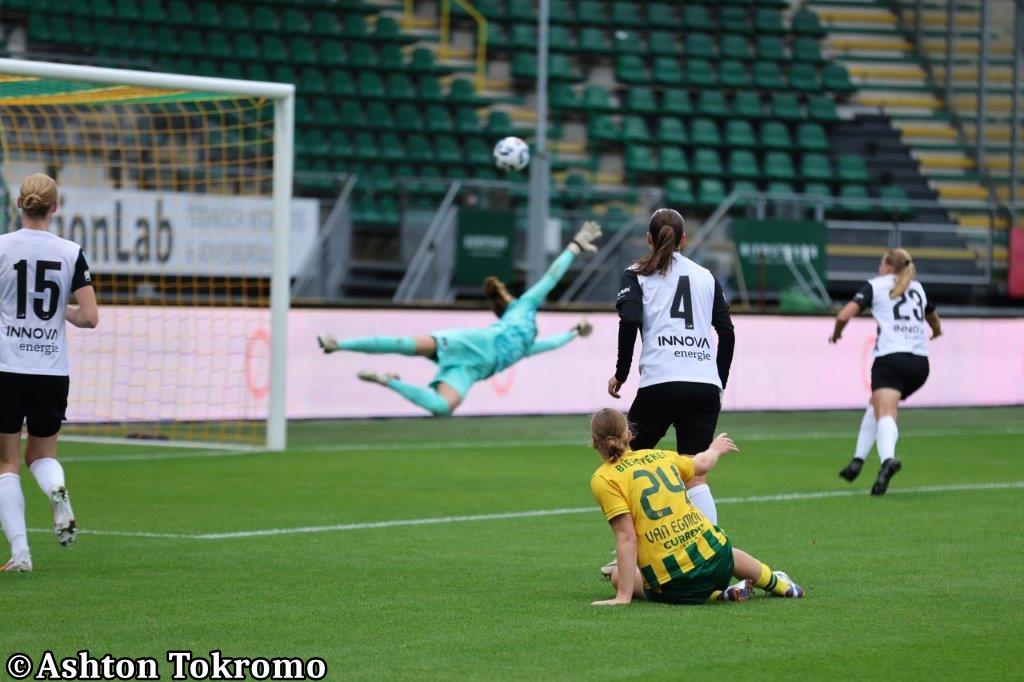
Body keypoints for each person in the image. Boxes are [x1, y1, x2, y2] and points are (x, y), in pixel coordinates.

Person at [317, 221, 602, 416]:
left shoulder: (525, 345)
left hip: (473, 368)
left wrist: (575, 330)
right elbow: (551, 277)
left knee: (442, 408)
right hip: (471, 343)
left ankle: (386, 380)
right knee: (404, 345)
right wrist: (574, 246)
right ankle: (338, 344)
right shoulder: (522, 308)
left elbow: (551, 344)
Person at [588, 408, 804, 606]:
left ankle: (712, 594)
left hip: (676, 586)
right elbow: (701, 465)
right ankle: (777, 584)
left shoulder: (604, 478)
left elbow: (627, 537)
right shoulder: (661, 456)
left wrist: (622, 596)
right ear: (629, 435)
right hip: (718, 563)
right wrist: (715, 449)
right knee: (728, 550)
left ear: (595, 442)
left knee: (618, 575)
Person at [608, 208, 734, 526]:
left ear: (648, 239)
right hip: (703, 386)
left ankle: (631, 553)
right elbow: (728, 332)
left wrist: (621, 373)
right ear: (684, 239)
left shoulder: (635, 273)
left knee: (623, 464)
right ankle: (712, 554)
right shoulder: (706, 276)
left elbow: (631, 319)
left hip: (660, 385)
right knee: (695, 475)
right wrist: (718, 382)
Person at [0, 173, 98, 572]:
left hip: (7, 365)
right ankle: (57, 489)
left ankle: (20, 552)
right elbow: (90, 317)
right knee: (42, 454)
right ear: (55, 208)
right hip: (51, 370)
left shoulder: (2, 247)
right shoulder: (72, 252)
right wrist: (61, 311)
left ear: (20, 205)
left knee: (5, 464)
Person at [830, 248, 942, 495]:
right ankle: (857, 460)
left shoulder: (876, 285)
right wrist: (937, 332)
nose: (879, 268)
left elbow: (843, 315)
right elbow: (933, 317)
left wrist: (836, 334)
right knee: (876, 404)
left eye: (881, 263)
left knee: (886, 412)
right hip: (920, 365)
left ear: (889, 266)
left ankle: (887, 460)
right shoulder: (917, 287)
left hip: (891, 360)